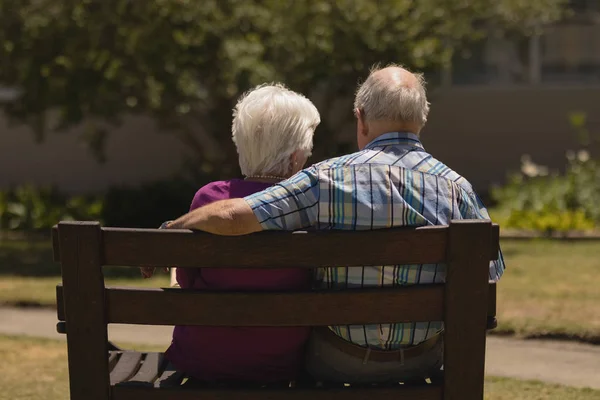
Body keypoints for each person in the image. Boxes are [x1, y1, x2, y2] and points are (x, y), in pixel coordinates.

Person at [161, 64, 506, 384]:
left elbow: (234, 216)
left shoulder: (325, 180)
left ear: (361, 119)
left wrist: (174, 232)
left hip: (337, 359)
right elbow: (486, 284)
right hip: (421, 359)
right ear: (421, 120)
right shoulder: (457, 188)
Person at [142, 83, 320, 384]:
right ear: (294, 159)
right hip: (281, 366)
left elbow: (186, 280)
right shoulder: (311, 205)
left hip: (201, 362)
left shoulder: (210, 199)